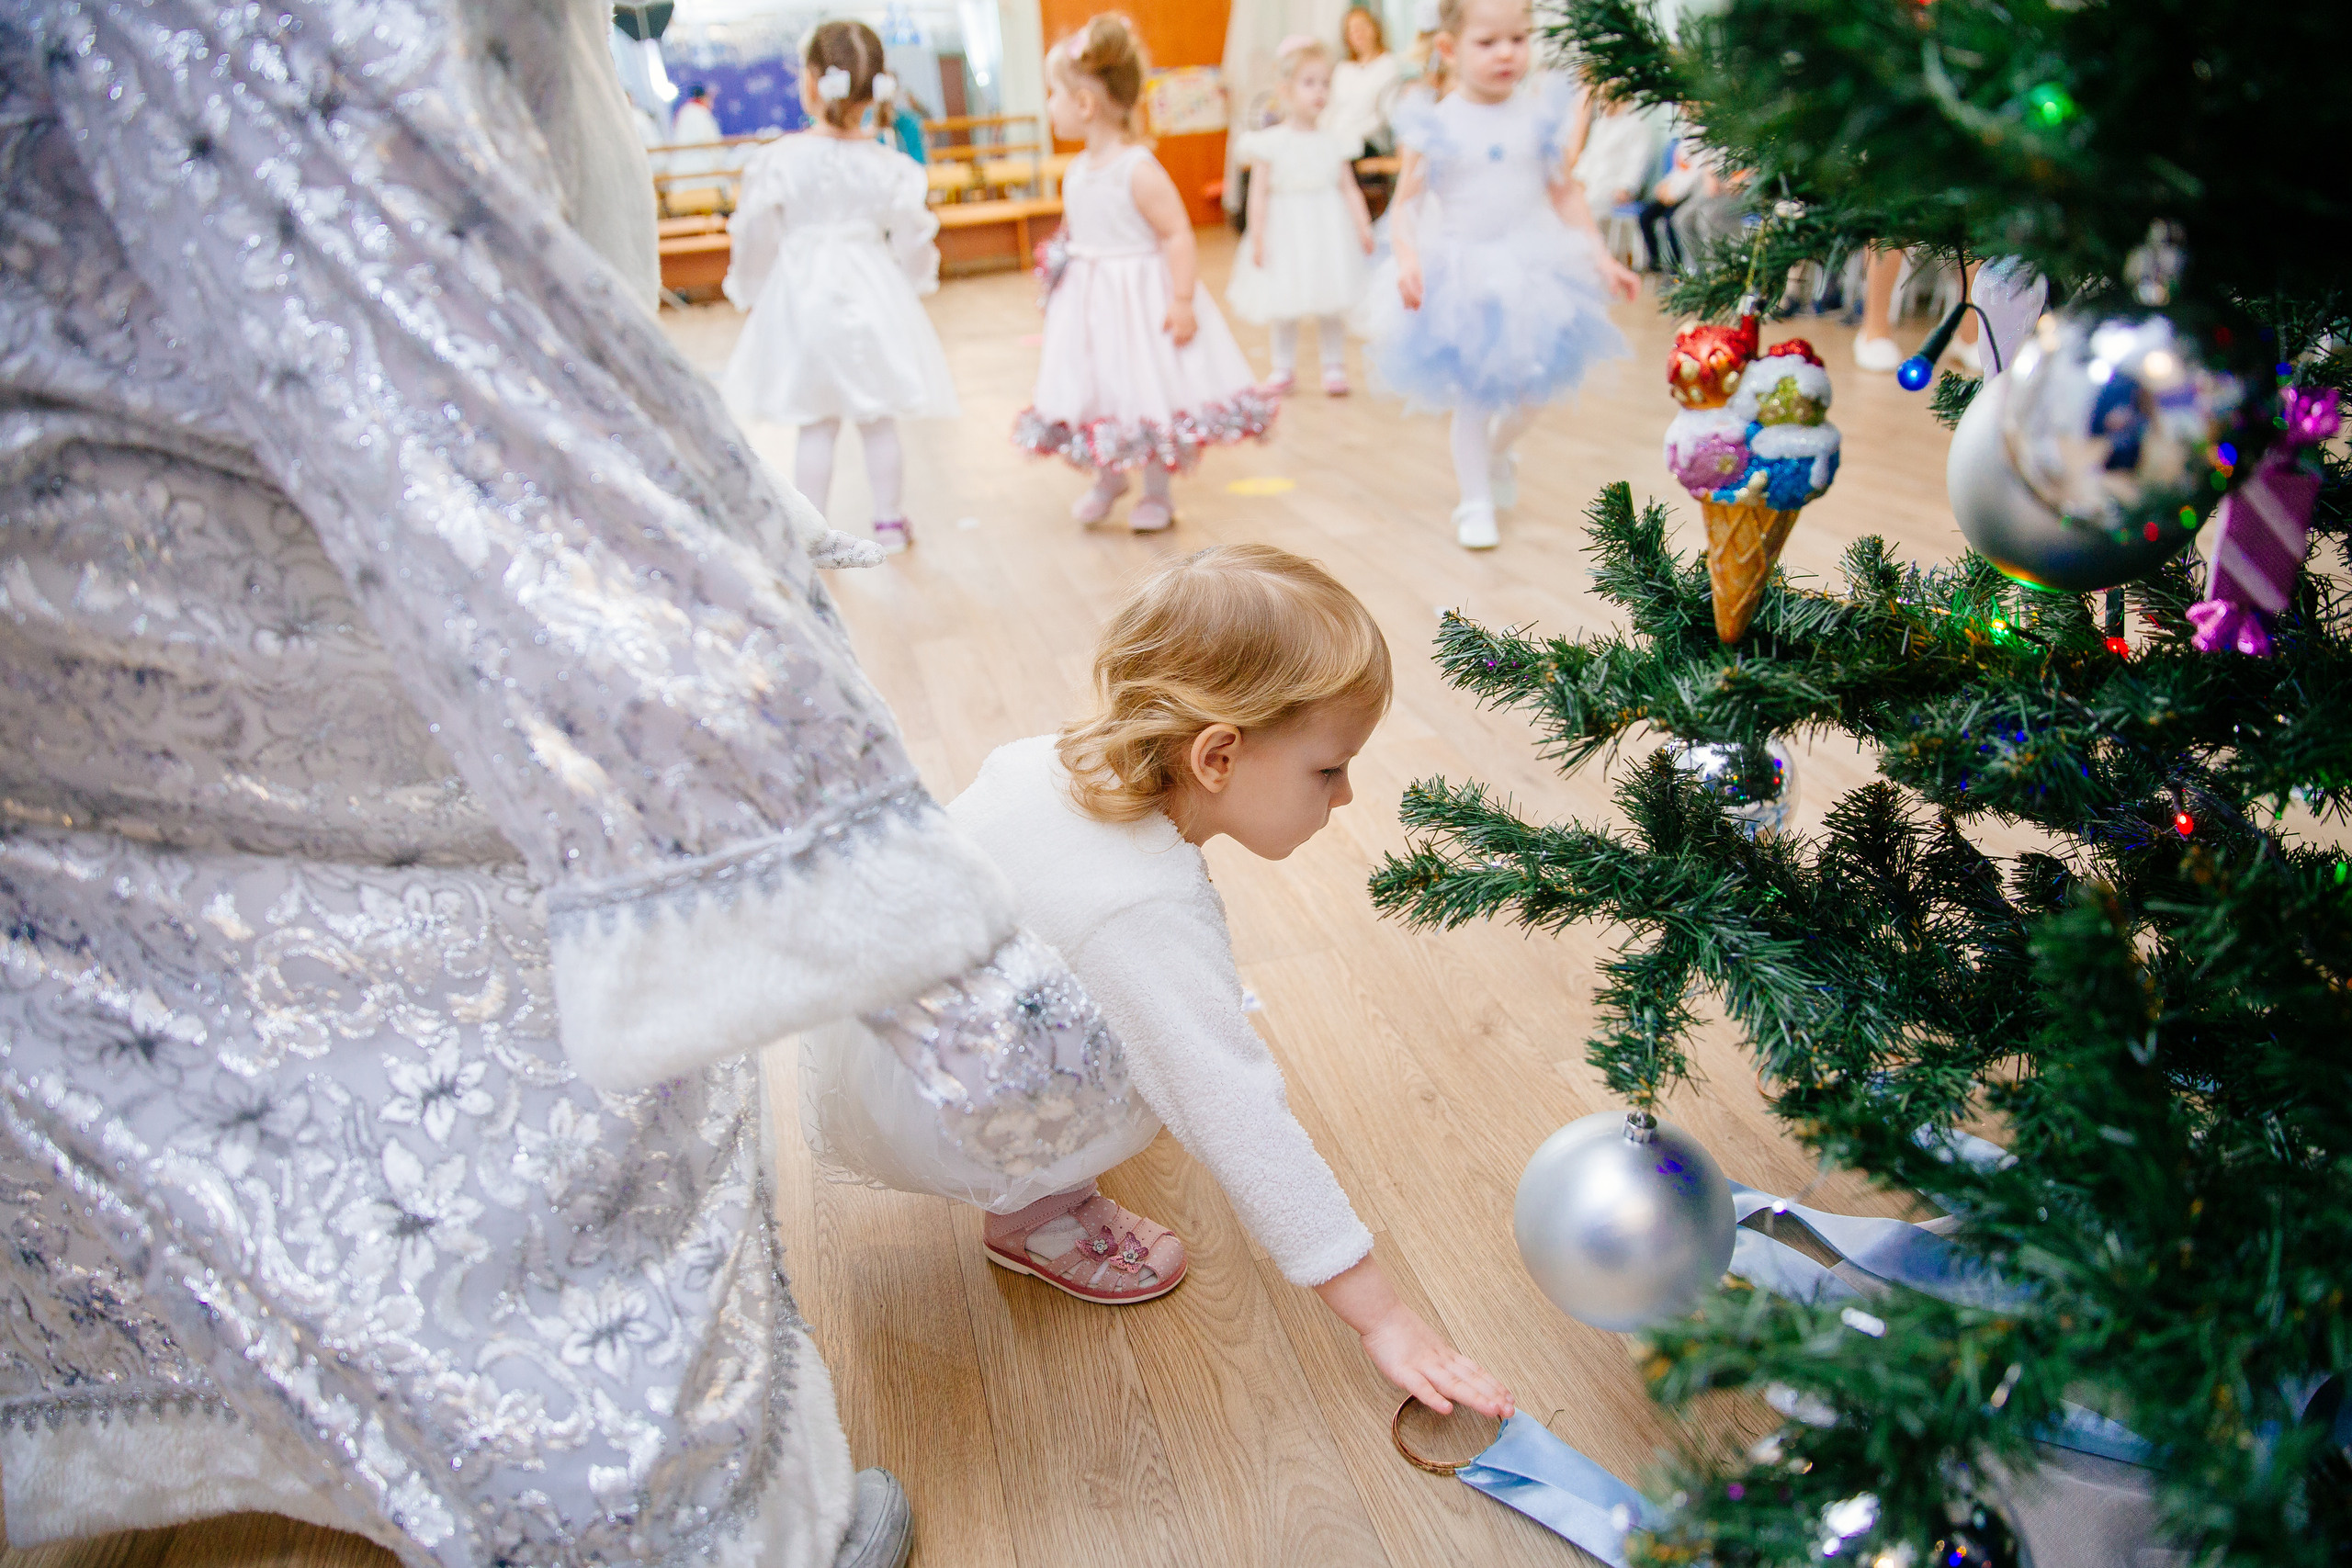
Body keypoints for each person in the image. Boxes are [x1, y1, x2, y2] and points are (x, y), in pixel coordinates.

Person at [0, 2, 1141, 1563]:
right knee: (530, 1052)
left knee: (193, 1060)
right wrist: (977, 996)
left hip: (95, 610)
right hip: (259, 589)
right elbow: (496, 423)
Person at [803, 545, 1519, 1422]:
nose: (1345, 796)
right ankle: (1035, 1213)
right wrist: (1387, 1319)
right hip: (958, 1110)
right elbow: (1239, 1118)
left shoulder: (1044, 758)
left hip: (890, 1038)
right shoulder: (1138, 910)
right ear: (1218, 756)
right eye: (1327, 769)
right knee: (1177, 1066)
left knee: (1159, 1028)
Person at [1360, 0, 1639, 549]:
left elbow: (1563, 192)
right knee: (1475, 395)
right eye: (1488, 43)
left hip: (1533, 270)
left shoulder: (1537, 118)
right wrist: (1408, 256)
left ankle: (1497, 453)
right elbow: (1408, 204)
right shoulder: (1437, 124)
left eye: (1518, 38)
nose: (1507, 53)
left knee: (1533, 391)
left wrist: (1601, 256)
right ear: (1449, 49)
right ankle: (1474, 501)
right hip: (1463, 272)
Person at [1015, 15, 1274, 532]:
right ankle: (1109, 475)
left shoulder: (1136, 168)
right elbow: (1078, 229)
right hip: (1090, 304)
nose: (1049, 106)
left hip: (1138, 302)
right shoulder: (1075, 171)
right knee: (1100, 387)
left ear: (1084, 105)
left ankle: (1156, 491)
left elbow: (1177, 232)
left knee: (1144, 388)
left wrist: (1181, 300)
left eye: (1054, 94)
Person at [722, 20, 955, 554]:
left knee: (817, 422)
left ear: (810, 81)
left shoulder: (777, 159)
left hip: (803, 295)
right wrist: (915, 284)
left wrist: (753, 289)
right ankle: (890, 522)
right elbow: (914, 233)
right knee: (877, 417)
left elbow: (755, 233)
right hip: (872, 288)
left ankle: (813, 535)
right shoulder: (889, 164)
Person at [1226, 37, 1376, 397]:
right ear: (1286, 89)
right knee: (1284, 300)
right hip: (1286, 230)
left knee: (1331, 299)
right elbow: (1258, 195)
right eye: (1309, 83)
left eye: (1325, 83)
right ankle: (1282, 368)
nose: (1319, 91)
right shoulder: (1270, 142)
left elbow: (1349, 187)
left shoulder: (1335, 140)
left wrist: (1362, 224)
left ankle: (1334, 366)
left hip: (1327, 228)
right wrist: (1257, 235)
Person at [1328, 6, 1403, 156]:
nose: (1358, 33)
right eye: (1352, 29)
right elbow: (1331, 109)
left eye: (1363, 26)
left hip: (1370, 142)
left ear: (1375, 29)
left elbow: (1387, 115)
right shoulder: (1342, 69)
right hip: (1337, 139)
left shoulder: (1389, 65)